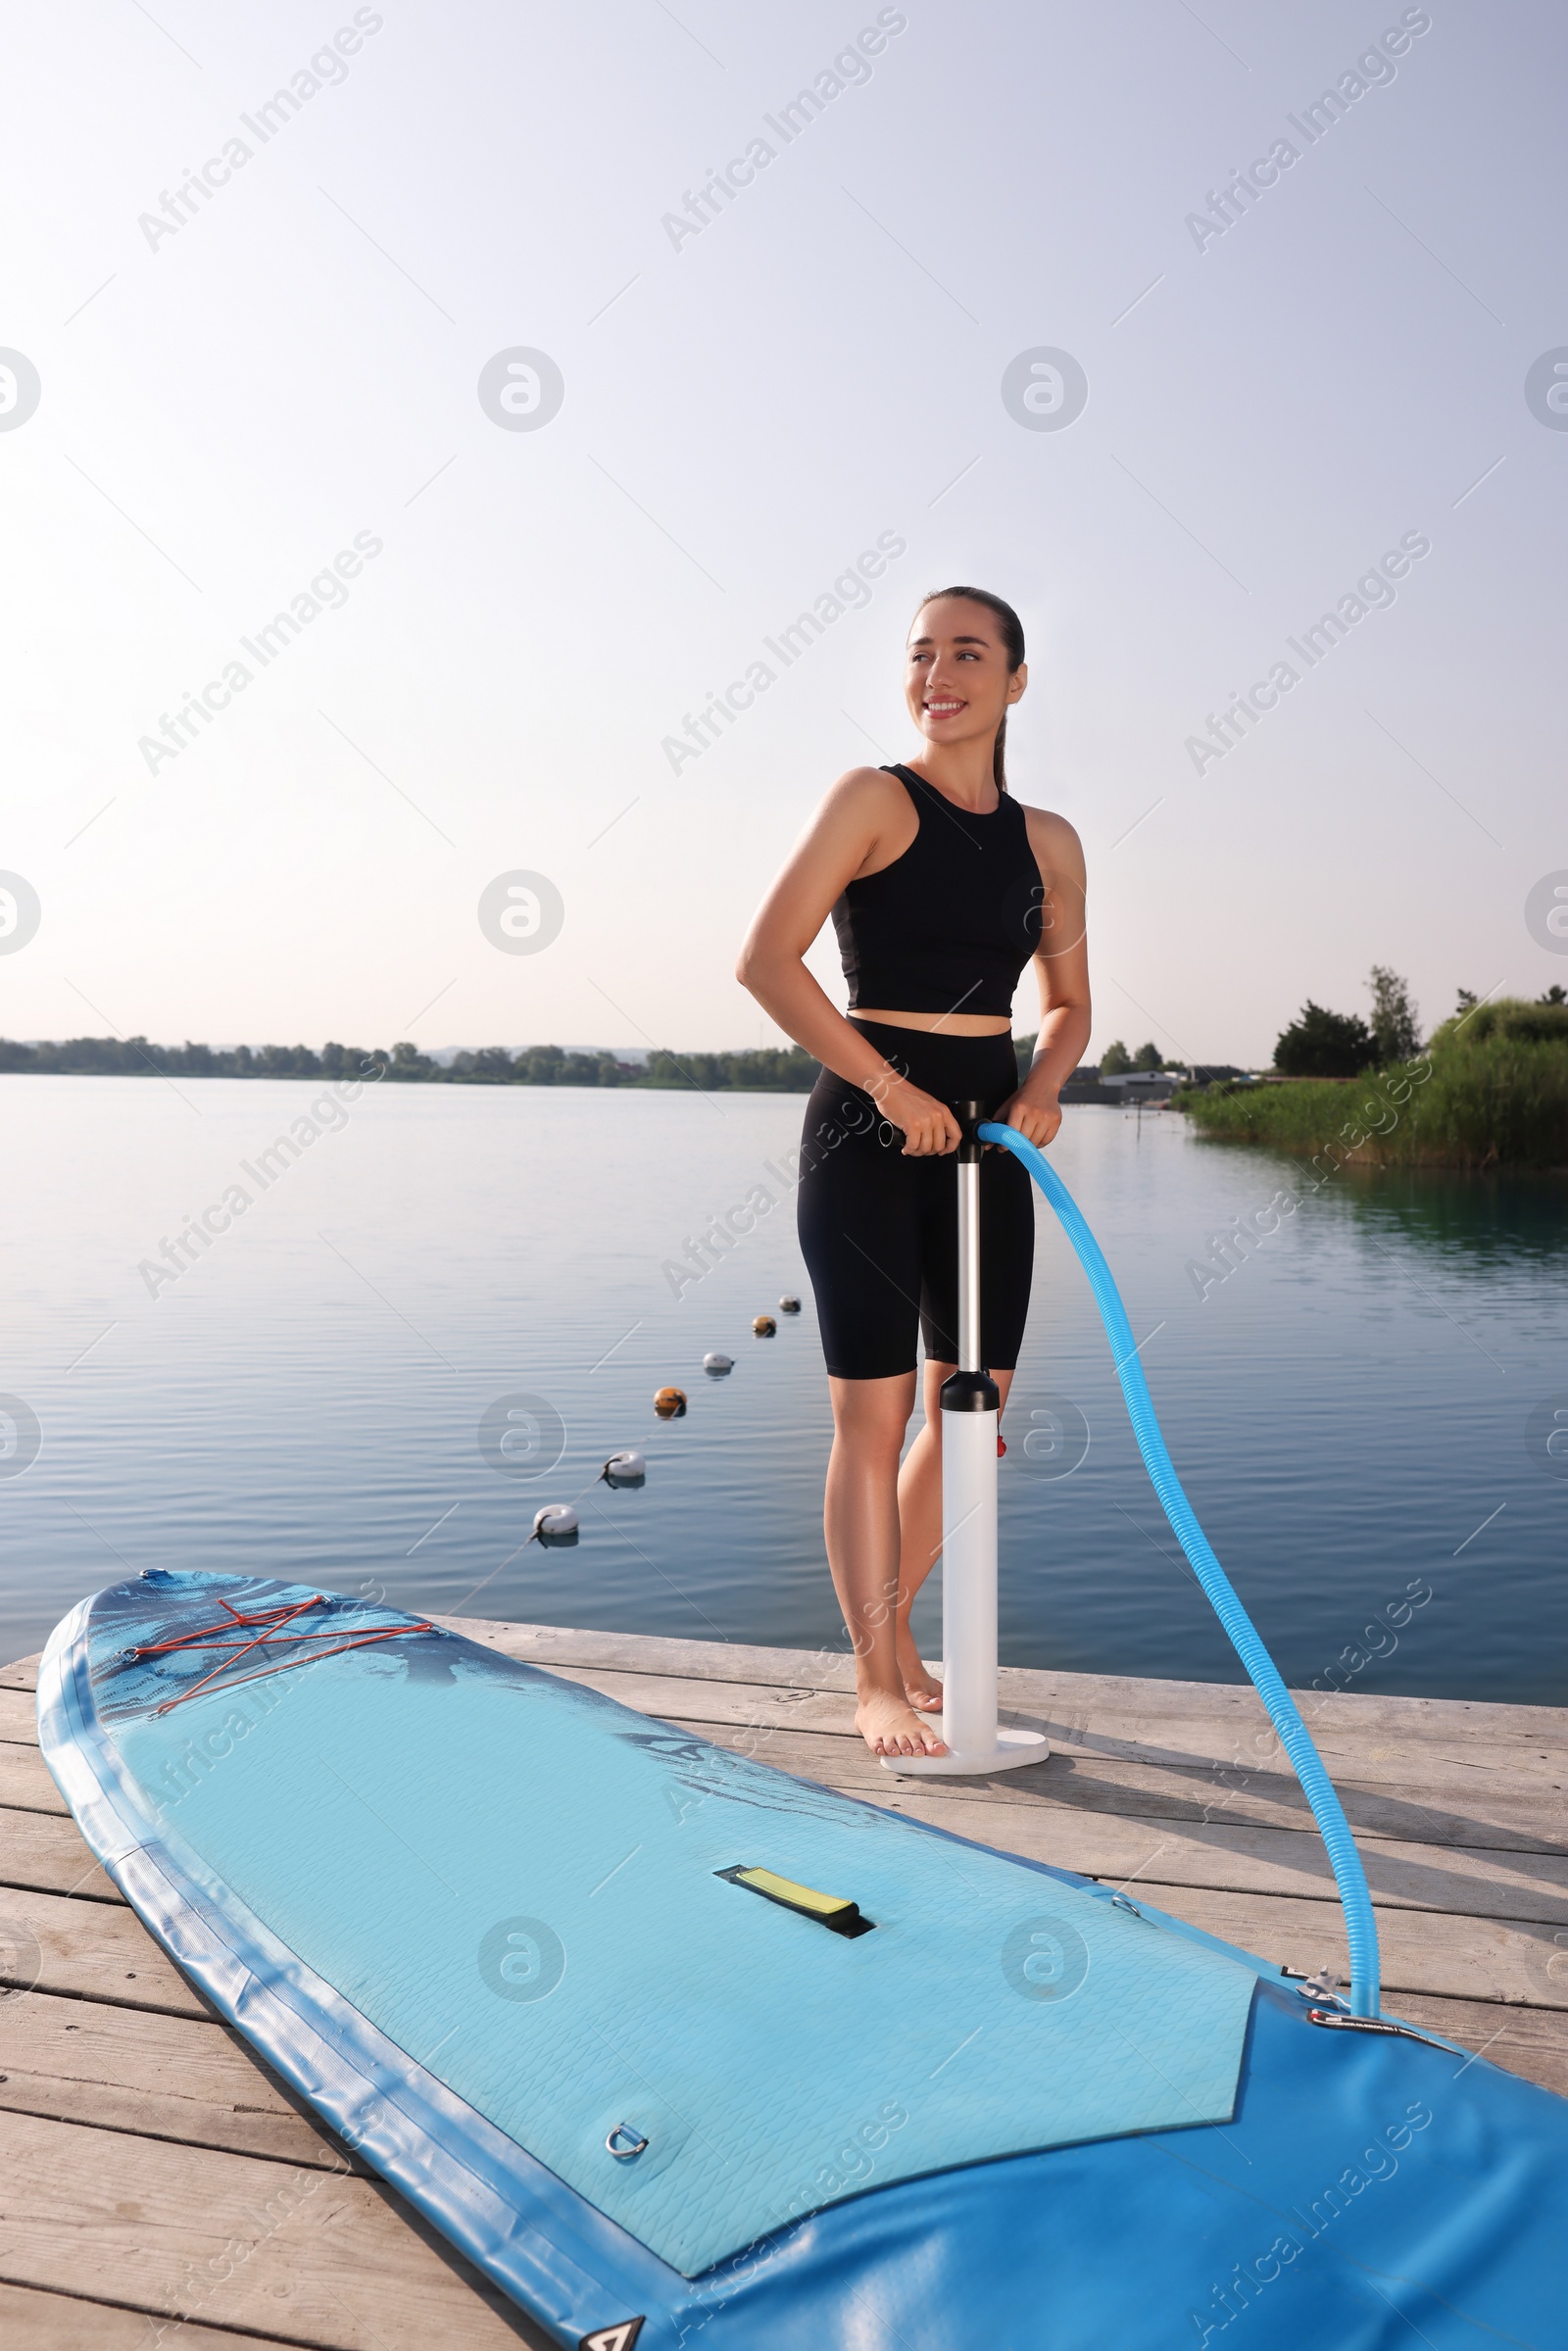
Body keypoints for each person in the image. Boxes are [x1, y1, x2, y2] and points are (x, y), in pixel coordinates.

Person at [737, 587, 1091, 1758]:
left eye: (968, 653)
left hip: (986, 1140)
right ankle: (874, 1671)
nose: (940, 672)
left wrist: (1041, 1086)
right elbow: (766, 962)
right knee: (872, 1415)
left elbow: (1070, 1004)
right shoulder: (871, 799)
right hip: (867, 1135)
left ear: (1015, 680)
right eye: (922, 653)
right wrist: (891, 1090)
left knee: (972, 1411)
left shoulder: (1049, 842)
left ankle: (900, 1636)